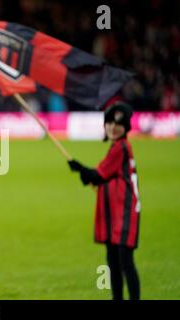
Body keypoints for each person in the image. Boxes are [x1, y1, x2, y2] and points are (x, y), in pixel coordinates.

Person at [68, 102, 141, 300]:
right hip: (114, 213)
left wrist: (79, 168)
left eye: (117, 124)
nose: (112, 127)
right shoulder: (116, 147)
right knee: (114, 262)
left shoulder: (121, 147)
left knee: (125, 262)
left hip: (124, 212)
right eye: (109, 122)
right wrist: (87, 174)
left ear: (125, 127)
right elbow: (104, 175)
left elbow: (99, 175)